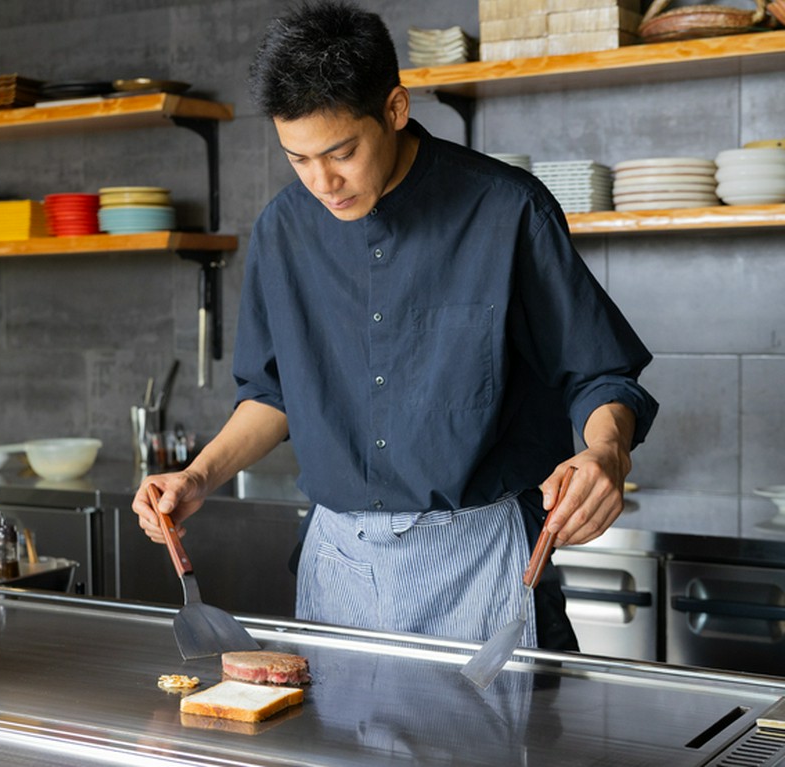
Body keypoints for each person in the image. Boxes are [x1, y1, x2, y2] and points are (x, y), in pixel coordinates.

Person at [132, 0, 658, 651]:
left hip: (482, 561)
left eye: (342, 152)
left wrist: (606, 450)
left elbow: (601, 374)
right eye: (298, 159)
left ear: (395, 109)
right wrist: (197, 475)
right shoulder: (281, 231)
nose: (323, 182)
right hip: (338, 565)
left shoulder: (507, 212)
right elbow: (271, 395)